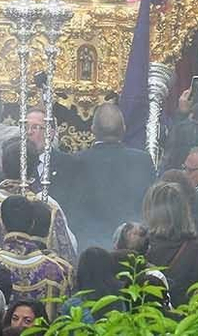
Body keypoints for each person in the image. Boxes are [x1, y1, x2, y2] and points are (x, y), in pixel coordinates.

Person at [55, 104, 155, 251]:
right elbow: (151, 206)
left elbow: (68, 208)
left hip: (89, 247)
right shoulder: (143, 161)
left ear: (93, 129)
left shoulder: (75, 162)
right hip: (132, 246)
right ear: (124, 129)